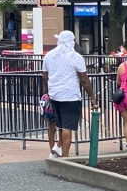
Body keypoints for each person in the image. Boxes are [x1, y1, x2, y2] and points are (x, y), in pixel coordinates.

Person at [41, 30, 97, 158]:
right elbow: (84, 79)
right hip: (70, 95)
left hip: (54, 95)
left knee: (60, 125)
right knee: (68, 127)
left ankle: (59, 150)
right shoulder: (75, 57)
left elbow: (44, 76)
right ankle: (65, 156)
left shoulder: (49, 55)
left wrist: (47, 92)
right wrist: (92, 97)